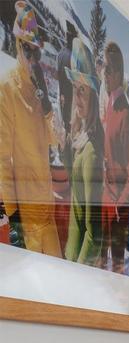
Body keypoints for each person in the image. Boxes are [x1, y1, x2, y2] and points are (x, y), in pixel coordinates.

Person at [0, 1, 62, 258]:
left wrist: (48, 107)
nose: (33, 58)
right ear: (17, 46)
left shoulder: (39, 92)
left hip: (46, 207)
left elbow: (54, 141)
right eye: (28, 51)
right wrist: (13, 216)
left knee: (60, 276)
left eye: (36, 52)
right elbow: (2, 158)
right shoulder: (8, 89)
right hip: (27, 217)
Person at [98, 40, 129, 273]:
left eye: (109, 70)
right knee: (100, 268)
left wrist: (117, 210)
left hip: (116, 210)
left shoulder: (125, 116)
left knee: (117, 272)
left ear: (119, 73)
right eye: (104, 68)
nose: (105, 74)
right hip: (105, 200)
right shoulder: (111, 105)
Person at [63, 39, 102, 265]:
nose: (77, 98)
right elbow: (77, 190)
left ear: (93, 97)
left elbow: (94, 235)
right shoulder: (82, 139)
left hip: (78, 262)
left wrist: (78, 274)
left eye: (83, 91)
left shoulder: (91, 152)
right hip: (72, 252)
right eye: (75, 89)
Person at [54, 22, 77, 172]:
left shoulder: (60, 54)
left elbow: (57, 75)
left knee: (63, 125)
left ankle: (62, 155)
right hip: (71, 98)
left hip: (61, 96)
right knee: (71, 128)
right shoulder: (73, 57)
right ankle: (69, 160)